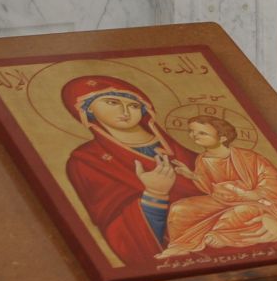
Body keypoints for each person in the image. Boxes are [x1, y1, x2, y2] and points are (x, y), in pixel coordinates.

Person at [58, 74, 200, 266]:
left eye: (134, 105)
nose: (125, 111)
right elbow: (114, 224)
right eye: (112, 102)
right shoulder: (87, 160)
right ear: (87, 108)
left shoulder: (180, 148)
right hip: (179, 247)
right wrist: (155, 194)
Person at [156, 116, 277, 257]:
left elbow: (273, 180)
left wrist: (253, 194)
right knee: (180, 208)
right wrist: (191, 175)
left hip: (254, 202)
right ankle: (180, 245)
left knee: (239, 213)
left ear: (222, 138)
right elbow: (209, 188)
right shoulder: (202, 159)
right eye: (192, 131)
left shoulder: (248, 157)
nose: (194, 136)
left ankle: (221, 236)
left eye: (202, 133)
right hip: (222, 200)